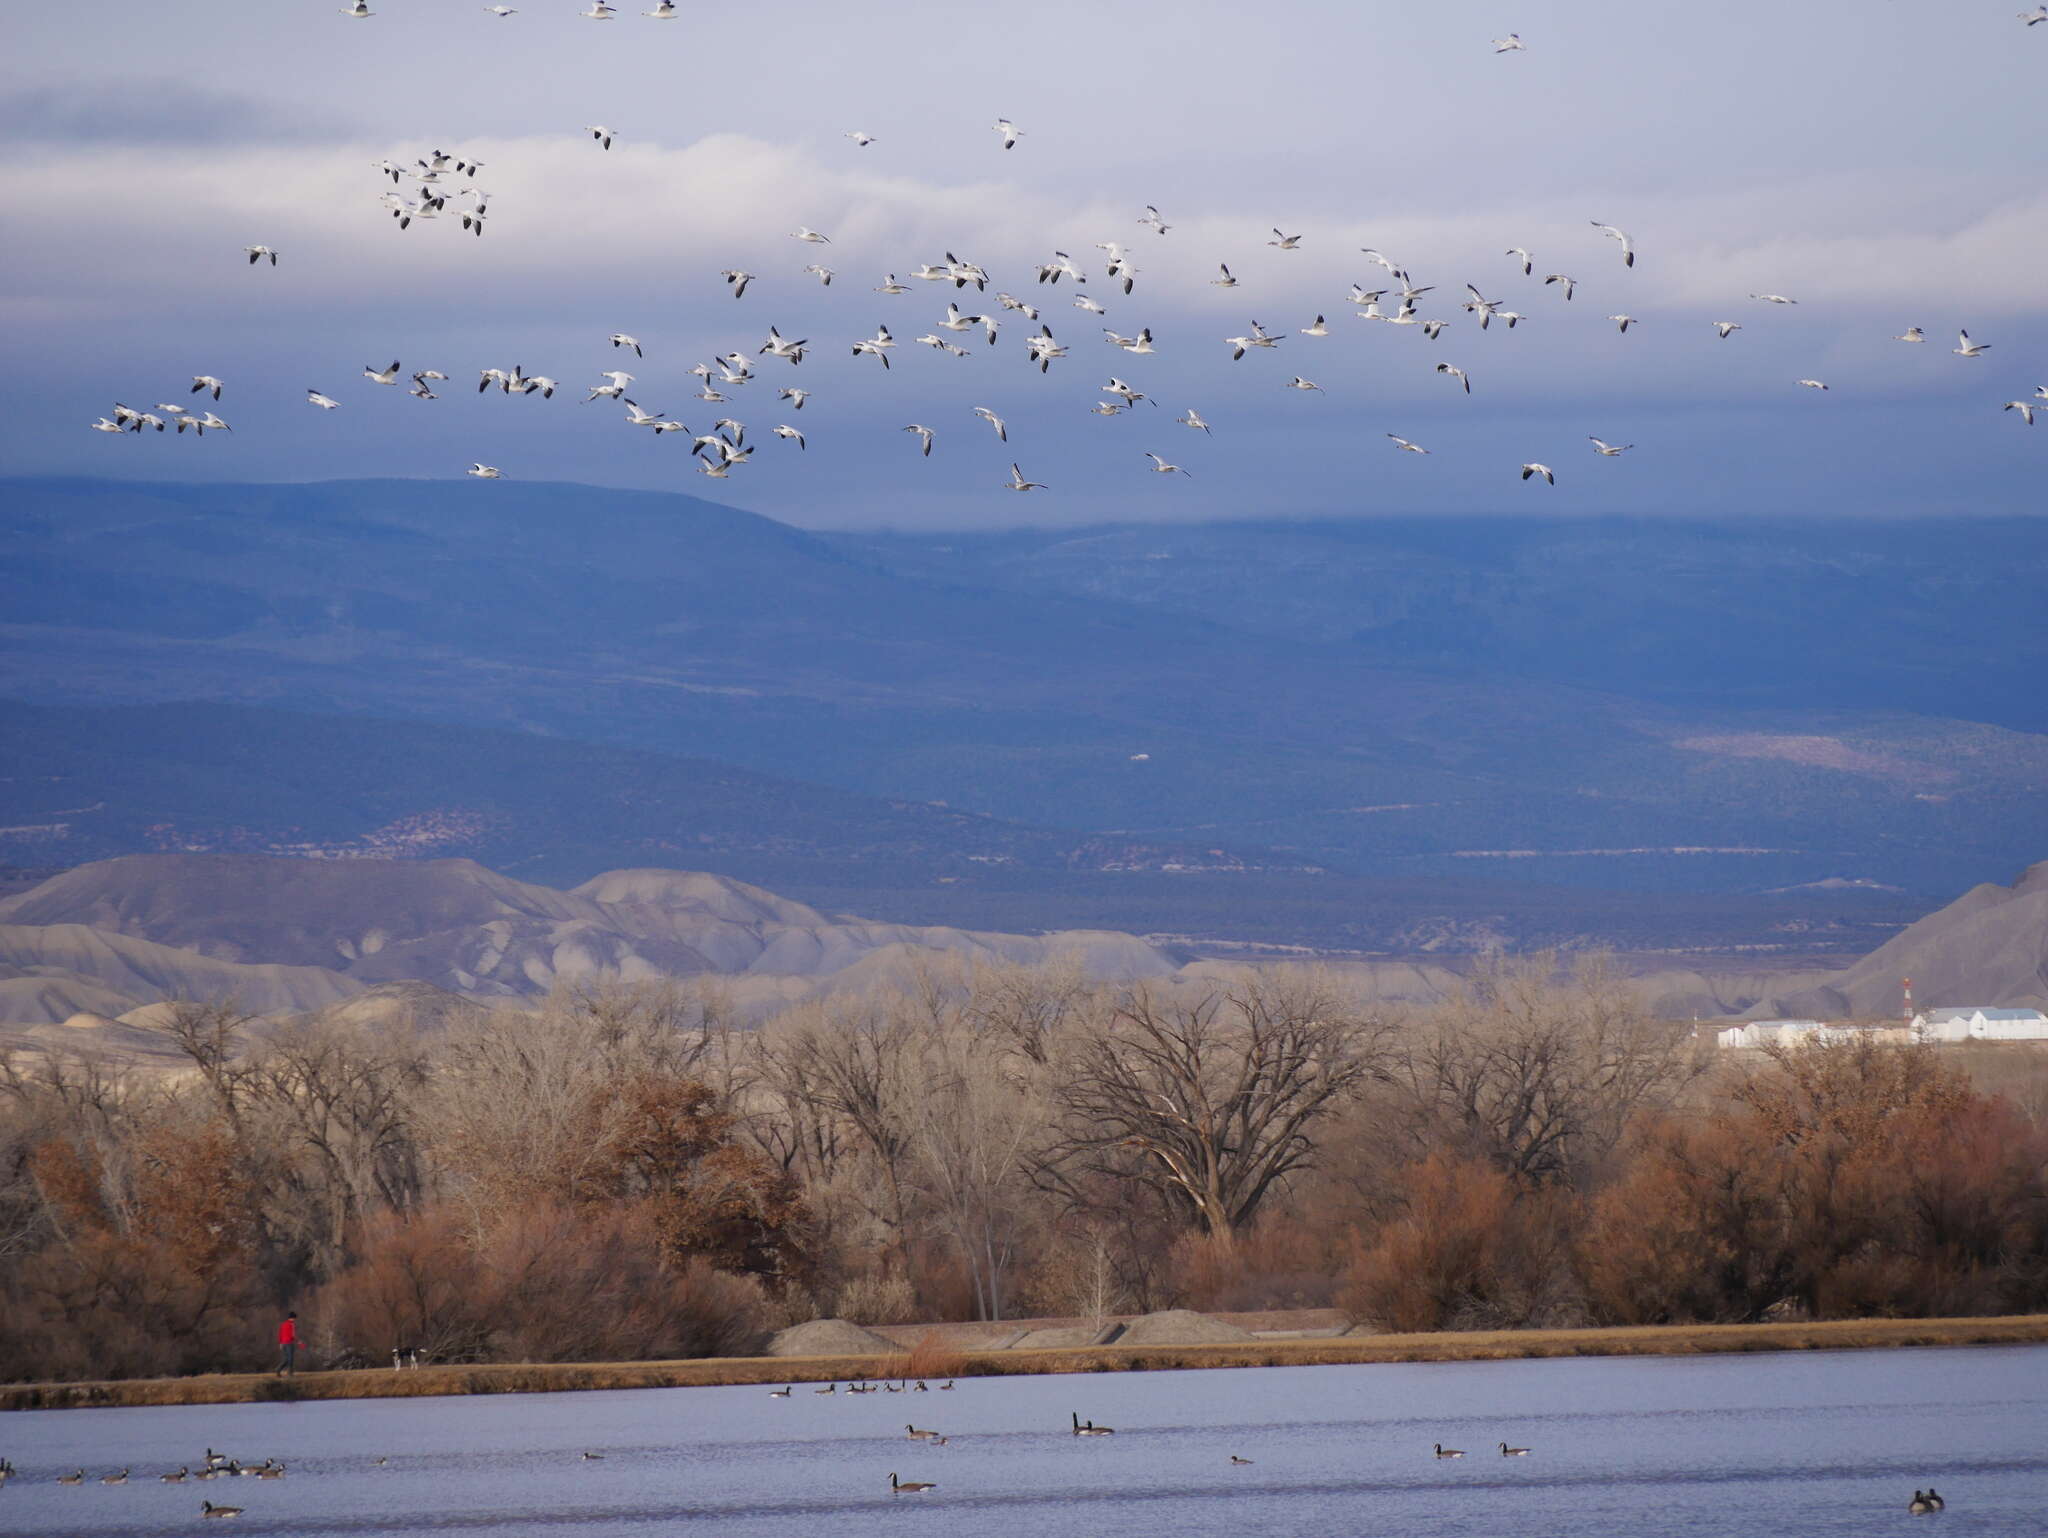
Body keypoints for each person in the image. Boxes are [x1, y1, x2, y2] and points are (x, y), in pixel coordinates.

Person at [276, 1311, 298, 1376]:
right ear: (293, 1318)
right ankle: (290, 1372)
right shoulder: (292, 1324)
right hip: (289, 1343)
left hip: (283, 1344)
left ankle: (278, 1369)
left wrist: (280, 1343)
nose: (295, 1319)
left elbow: (280, 1334)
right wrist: (298, 1341)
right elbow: (293, 1335)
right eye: (295, 1318)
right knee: (290, 1358)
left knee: (286, 1359)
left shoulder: (283, 1324)